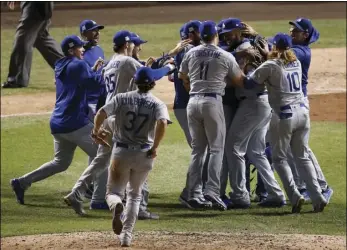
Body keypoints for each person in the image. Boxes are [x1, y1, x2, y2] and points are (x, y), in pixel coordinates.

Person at [10, 35, 104, 206]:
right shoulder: (80, 64)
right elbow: (95, 85)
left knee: (61, 162)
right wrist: (101, 72)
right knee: (104, 154)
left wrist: (92, 70)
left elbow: (79, 77)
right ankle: (97, 198)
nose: (83, 49)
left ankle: (22, 182)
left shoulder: (60, 64)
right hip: (75, 122)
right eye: (79, 47)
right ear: (70, 50)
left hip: (58, 123)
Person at [244, 33, 327, 213]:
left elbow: (249, 84)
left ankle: (294, 195)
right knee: (302, 157)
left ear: (274, 47)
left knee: (279, 158)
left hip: (284, 116)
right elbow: (277, 66)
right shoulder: (295, 61)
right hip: (303, 114)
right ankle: (318, 197)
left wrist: (249, 67)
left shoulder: (270, 65)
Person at [92, 66, 172, 247]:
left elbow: (101, 113)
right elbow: (162, 122)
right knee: (135, 195)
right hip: (144, 154)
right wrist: (155, 146)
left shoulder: (121, 98)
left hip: (121, 152)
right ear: (152, 84)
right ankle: (126, 236)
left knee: (112, 192)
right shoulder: (157, 103)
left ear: (135, 81)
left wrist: (96, 130)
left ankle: (116, 205)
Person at [219, 18, 286, 209]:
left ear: (240, 33)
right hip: (261, 104)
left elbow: (244, 80)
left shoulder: (244, 49)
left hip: (253, 104)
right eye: (224, 35)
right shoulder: (247, 46)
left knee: (233, 148)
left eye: (230, 33)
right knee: (256, 152)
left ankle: (240, 196)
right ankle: (276, 194)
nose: (226, 37)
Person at [179, 20, 244, 211]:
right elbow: (240, 81)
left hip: (193, 102)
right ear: (216, 35)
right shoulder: (225, 55)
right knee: (216, 149)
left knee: (198, 150)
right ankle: (213, 191)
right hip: (212, 103)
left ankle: (193, 194)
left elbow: (183, 76)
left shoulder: (190, 53)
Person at [288, 18, 333, 203]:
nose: (292, 33)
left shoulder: (301, 53)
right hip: (291, 104)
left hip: (299, 103)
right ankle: (305, 186)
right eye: (291, 30)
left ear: (305, 35)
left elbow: (279, 54)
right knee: (293, 149)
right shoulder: (295, 47)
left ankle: (322, 186)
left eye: (296, 31)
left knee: (301, 148)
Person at [2, 1, 64, 88]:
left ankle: (17, 79)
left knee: (22, 38)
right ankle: (70, 68)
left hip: (36, 4)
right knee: (40, 38)